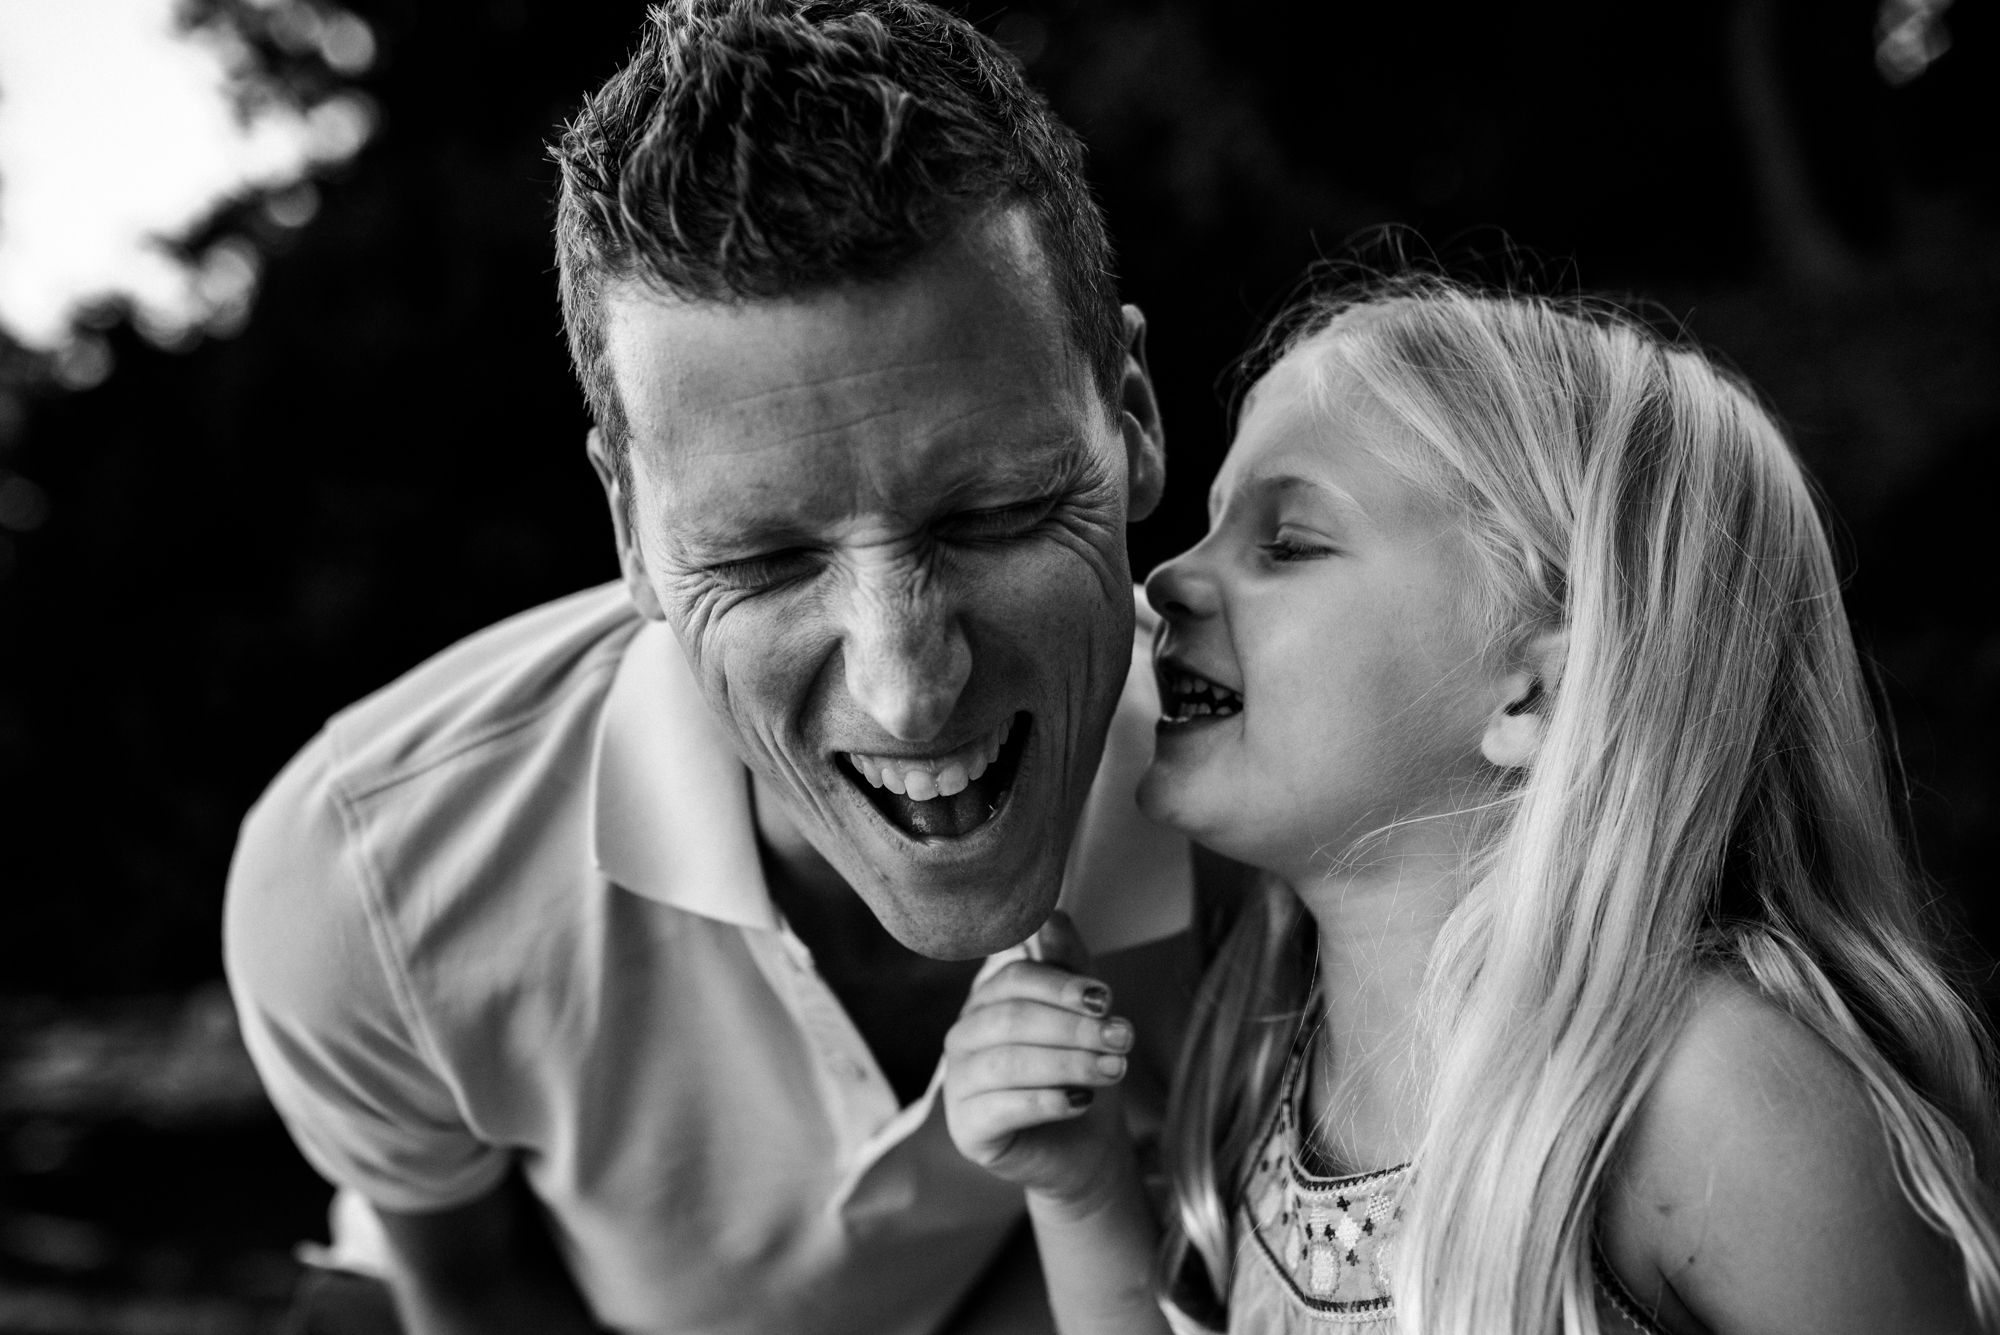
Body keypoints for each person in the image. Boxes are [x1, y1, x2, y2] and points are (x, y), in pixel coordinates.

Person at [222, 2, 1200, 1332]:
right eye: (763, 561)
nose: (910, 685)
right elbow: (470, 1295)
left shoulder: (1298, 808)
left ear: (1132, 418)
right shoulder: (372, 874)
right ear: (631, 529)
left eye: (996, 514)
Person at [942, 278, 2000, 1334]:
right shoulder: (1260, 1059)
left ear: (1531, 692)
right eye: (1213, 525)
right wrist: (1080, 1193)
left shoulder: (1708, 1100)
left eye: (1287, 543)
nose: (1168, 576)